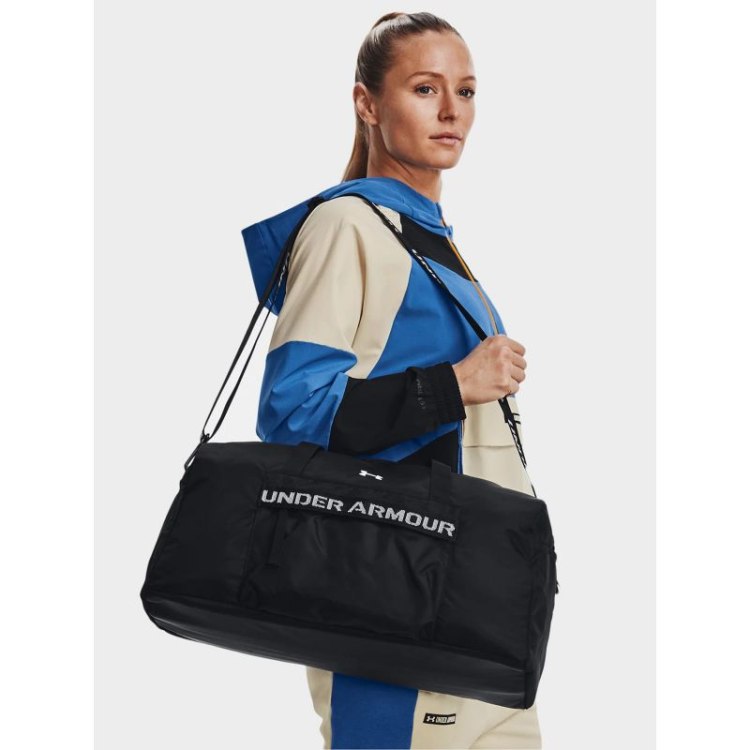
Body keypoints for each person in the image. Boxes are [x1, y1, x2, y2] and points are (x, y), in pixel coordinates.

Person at [244, 11, 542, 749]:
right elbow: (290, 412)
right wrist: (455, 383)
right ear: (367, 103)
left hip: (473, 600)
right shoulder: (348, 227)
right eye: (425, 88)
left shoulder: (427, 237)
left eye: (466, 91)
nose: (452, 111)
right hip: (396, 601)